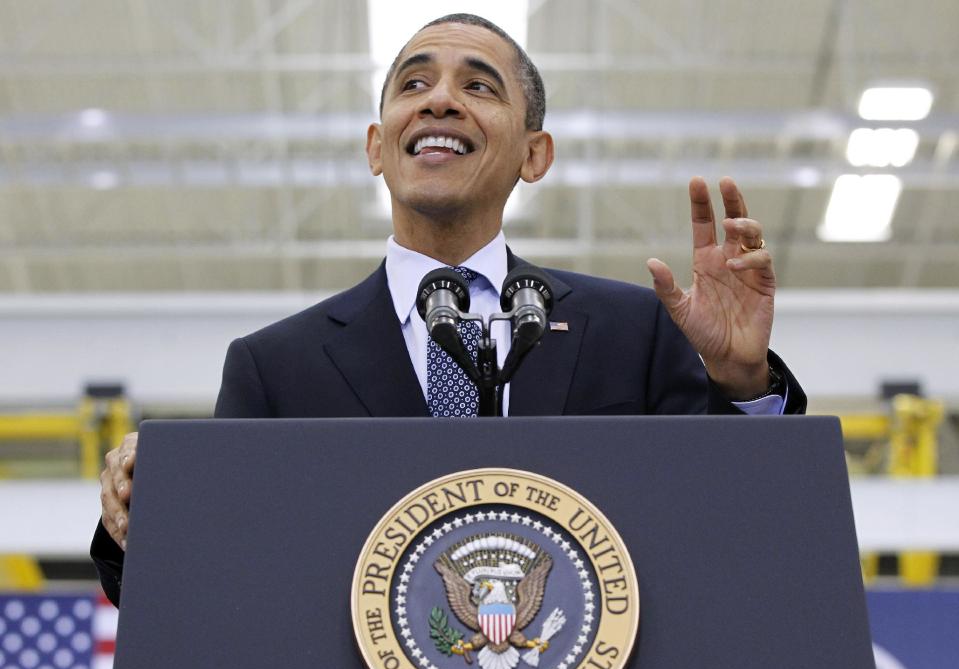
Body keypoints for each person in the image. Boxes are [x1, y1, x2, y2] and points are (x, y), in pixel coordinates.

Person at [93, 13, 806, 606]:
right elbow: (216, 587)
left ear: (535, 154)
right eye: (413, 83)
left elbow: (733, 540)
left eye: (477, 85)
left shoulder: (633, 332)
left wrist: (742, 387)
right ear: (377, 146)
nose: (438, 100)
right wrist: (150, 507)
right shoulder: (275, 366)